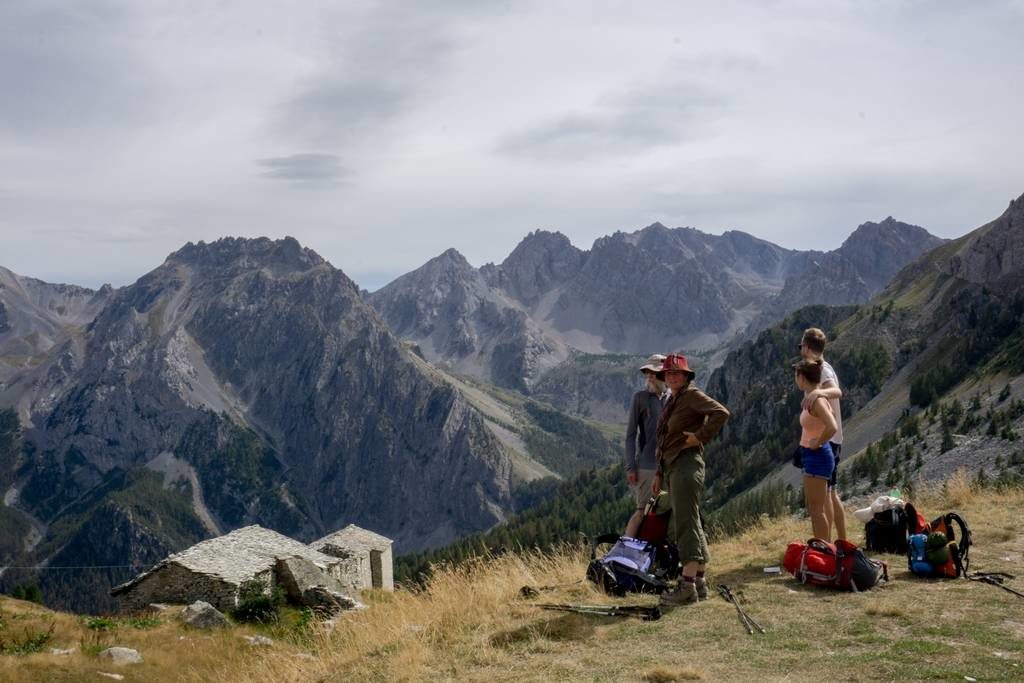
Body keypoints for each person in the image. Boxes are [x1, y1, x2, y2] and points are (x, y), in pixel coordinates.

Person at [652, 353, 730, 606]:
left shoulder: (692, 396)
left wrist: (700, 436)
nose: (672, 377)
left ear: (686, 376)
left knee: (685, 524)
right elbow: (666, 439)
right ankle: (699, 582)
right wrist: (659, 473)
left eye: (677, 373)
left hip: (687, 465)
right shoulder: (674, 399)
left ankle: (686, 587)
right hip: (674, 466)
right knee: (692, 521)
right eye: (668, 373)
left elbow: (721, 413)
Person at [799, 328, 847, 540]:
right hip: (828, 439)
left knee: (826, 496)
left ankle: (828, 545)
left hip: (828, 440)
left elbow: (837, 391)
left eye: (801, 347)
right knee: (830, 493)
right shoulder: (821, 368)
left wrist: (819, 392)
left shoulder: (823, 370)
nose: (801, 350)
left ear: (807, 347)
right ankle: (840, 542)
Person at [794, 359, 838, 541]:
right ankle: (822, 547)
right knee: (814, 507)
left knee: (817, 509)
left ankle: (825, 550)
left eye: (796, 375)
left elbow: (832, 426)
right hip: (812, 455)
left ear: (802, 378)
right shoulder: (813, 396)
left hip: (817, 455)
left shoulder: (817, 400)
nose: (795, 379)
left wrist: (817, 442)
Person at [624, 354, 668, 538]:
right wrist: (630, 467)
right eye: (647, 373)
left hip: (671, 465)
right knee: (642, 511)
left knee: (667, 511)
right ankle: (624, 552)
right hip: (647, 466)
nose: (649, 377)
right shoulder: (640, 398)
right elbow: (630, 435)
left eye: (654, 373)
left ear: (664, 375)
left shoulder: (673, 398)